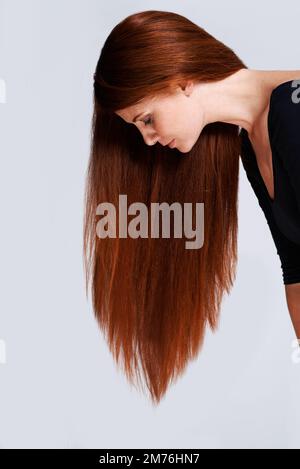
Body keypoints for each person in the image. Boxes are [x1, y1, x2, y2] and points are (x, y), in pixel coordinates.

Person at [83, 9, 300, 405]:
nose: (147, 140)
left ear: (181, 81)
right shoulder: (252, 143)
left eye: (146, 119)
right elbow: (298, 271)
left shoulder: (291, 109)